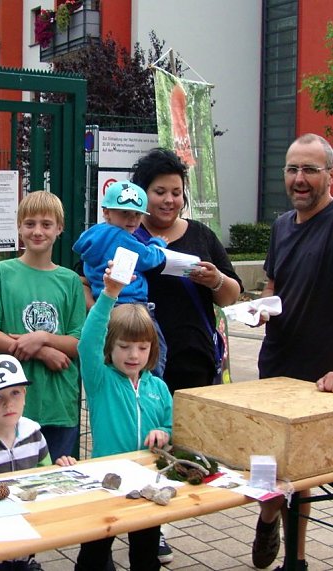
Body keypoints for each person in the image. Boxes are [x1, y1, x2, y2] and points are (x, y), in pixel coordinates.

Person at [251, 133, 333, 571]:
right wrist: (259, 310)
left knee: (301, 472)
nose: (299, 178)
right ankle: (268, 517)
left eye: (309, 169)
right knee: (269, 460)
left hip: (317, 374)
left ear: (331, 174)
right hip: (275, 364)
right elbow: (273, 286)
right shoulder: (283, 224)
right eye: (292, 169)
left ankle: (297, 559)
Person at [129, 148, 242, 564]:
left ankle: (163, 516)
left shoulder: (201, 237)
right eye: (160, 192)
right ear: (143, 194)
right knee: (144, 444)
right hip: (140, 364)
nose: (169, 200)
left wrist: (217, 279)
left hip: (193, 358)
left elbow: (232, 296)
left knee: (181, 446)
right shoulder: (127, 235)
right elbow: (94, 284)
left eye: (176, 192)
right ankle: (146, 529)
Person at [74, 262, 172, 571]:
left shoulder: (158, 387)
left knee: (145, 555)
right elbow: (87, 342)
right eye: (124, 346)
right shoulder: (99, 379)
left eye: (142, 348)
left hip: (147, 482)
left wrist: (164, 432)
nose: (133, 355)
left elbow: (170, 424)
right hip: (106, 482)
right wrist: (109, 294)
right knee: (94, 553)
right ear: (109, 347)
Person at [0, 191, 86, 461]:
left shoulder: (70, 280)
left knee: (59, 479)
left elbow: (78, 342)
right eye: (30, 224)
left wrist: (43, 336)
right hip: (9, 404)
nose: (38, 231)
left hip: (60, 403)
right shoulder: (1, 273)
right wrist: (40, 350)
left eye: (46, 224)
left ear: (59, 228)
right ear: (19, 227)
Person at [0, 354, 76, 571]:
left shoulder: (34, 434)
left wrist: (60, 469)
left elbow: (44, 480)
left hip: (24, 544)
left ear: (25, 394)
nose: (9, 403)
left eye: (15, 392)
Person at [73, 179, 168, 375]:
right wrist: (158, 243)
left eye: (137, 214)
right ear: (107, 213)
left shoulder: (93, 236)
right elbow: (149, 258)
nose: (132, 219)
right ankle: (150, 388)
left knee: (117, 357)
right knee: (155, 352)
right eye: (124, 213)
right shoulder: (121, 237)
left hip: (108, 305)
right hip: (132, 304)